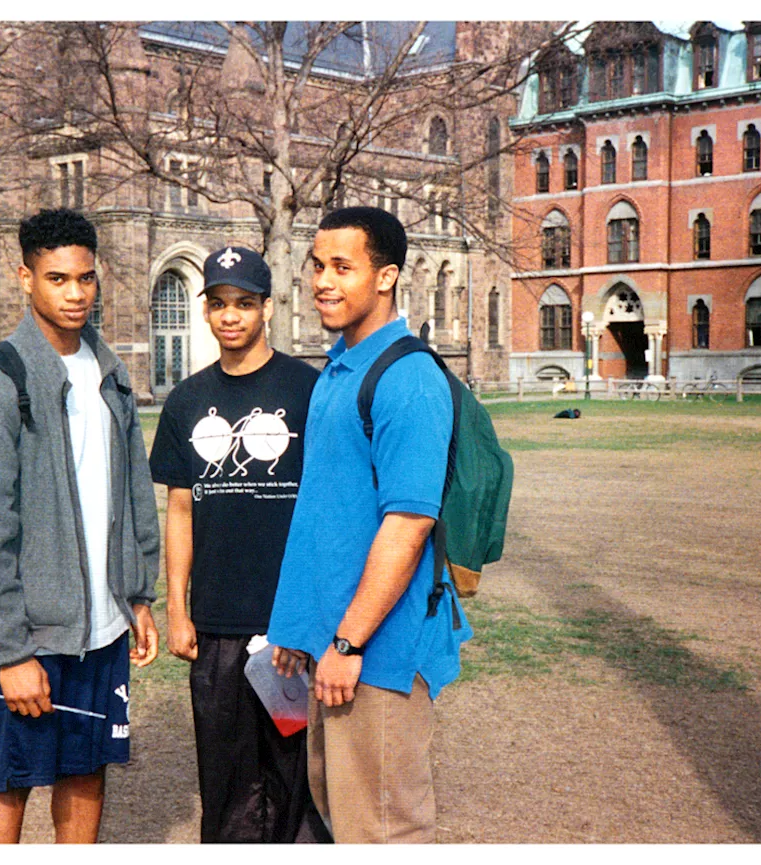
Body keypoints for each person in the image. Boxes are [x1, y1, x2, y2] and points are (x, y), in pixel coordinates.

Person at [0, 208, 160, 843]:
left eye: (86, 279)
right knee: (9, 781)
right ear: (25, 278)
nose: (75, 294)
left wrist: (137, 596)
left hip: (101, 623)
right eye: (58, 278)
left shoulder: (110, 371)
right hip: (28, 632)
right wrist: (9, 652)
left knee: (87, 772)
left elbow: (133, 490)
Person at [267, 206, 473, 843]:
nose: (323, 281)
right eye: (317, 266)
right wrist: (305, 630)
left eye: (342, 267)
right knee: (345, 814)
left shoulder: (407, 378)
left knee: (383, 830)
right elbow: (329, 515)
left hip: (378, 652)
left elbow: (408, 525)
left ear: (385, 278)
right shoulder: (339, 367)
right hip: (336, 646)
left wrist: (350, 643)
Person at [149, 245, 328, 843]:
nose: (231, 316)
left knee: (296, 782)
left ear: (267, 308)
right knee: (226, 782)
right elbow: (179, 510)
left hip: (290, 621)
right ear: (205, 311)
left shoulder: (309, 389)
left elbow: (330, 509)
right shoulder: (187, 400)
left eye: (245, 304)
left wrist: (313, 613)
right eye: (220, 304)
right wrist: (178, 610)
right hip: (217, 623)